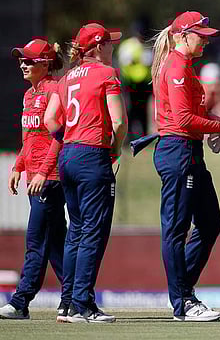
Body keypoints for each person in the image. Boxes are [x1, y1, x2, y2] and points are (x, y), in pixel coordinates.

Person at [148, 11, 220, 322]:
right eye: (200, 36)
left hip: (187, 150)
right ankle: (182, 301)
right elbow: (183, 120)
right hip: (177, 150)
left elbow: (194, 115)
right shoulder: (177, 66)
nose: (205, 41)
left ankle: (182, 289)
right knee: (177, 230)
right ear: (182, 36)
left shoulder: (185, 66)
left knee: (210, 223)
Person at [44, 23, 128, 323]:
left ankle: (67, 303)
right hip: (93, 155)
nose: (112, 47)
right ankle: (83, 305)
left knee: (76, 231)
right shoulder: (107, 74)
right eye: (108, 42)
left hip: (68, 155)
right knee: (92, 231)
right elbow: (118, 122)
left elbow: (50, 118)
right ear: (97, 47)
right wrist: (115, 149)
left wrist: (68, 140)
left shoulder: (66, 78)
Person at [0, 39, 67, 321]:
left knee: (36, 238)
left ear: (45, 64)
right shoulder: (30, 95)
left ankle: (20, 300)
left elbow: (59, 138)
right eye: (21, 60)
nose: (22, 64)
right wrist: (18, 166)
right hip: (34, 178)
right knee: (55, 242)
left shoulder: (55, 90)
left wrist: (42, 172)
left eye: (28, 60)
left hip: (49, 178)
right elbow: (29, 138)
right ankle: (75, 296)